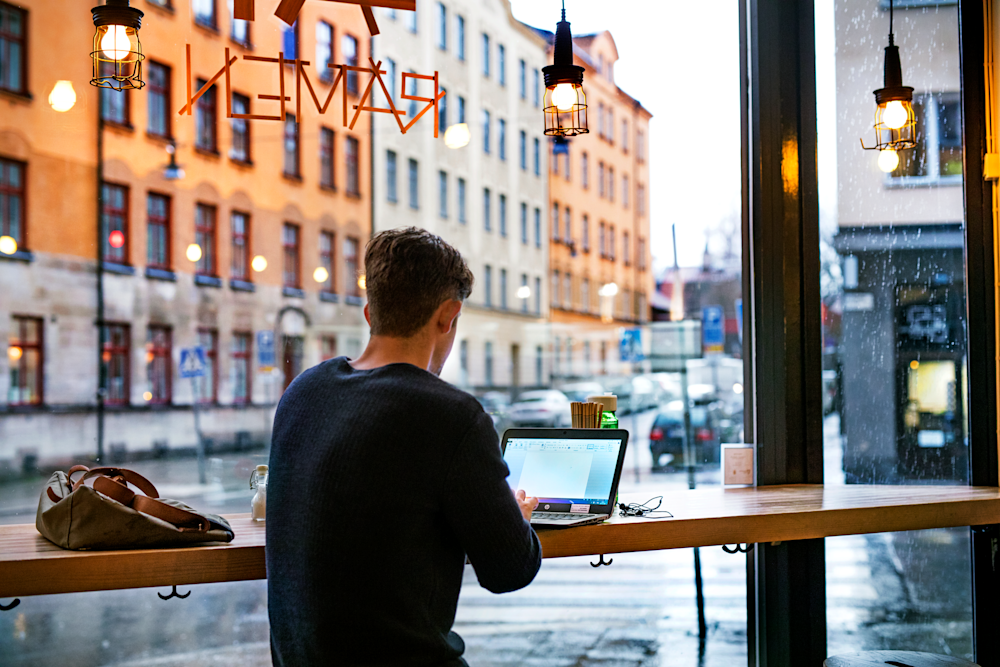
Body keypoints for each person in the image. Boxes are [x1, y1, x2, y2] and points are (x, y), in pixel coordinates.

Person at [267, 227, 542, 666]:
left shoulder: (303, 391)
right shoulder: (452, 415)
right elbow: (509, 571)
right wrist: (516, 518)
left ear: (370, 314)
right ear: (448, 316)